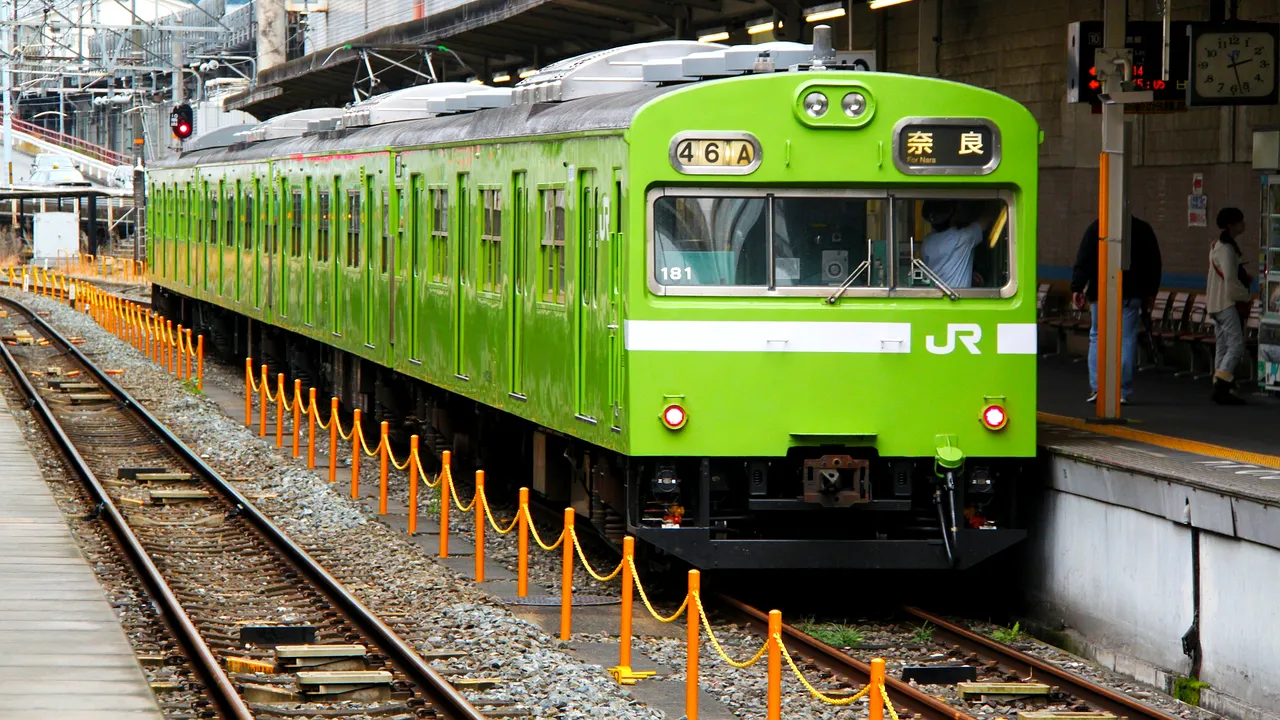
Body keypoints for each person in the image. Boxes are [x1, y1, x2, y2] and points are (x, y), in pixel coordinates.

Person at [1070, 215, 1163, 404]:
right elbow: (1154, 263)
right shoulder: (1142, 228)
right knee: (1126, 339)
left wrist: (1077, 287)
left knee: (1097, 337)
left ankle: (1098, 388)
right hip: (1132, 293)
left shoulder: (1098, 227)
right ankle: (1121, 391)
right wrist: (1151, 292)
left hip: (1101, 292)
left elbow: (1084, 258)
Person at [1206, 207, 1252, 405]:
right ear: (1231, 225)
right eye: (1240, 221)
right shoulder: (1226, 249)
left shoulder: (1217, 245)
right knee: (1236, 346)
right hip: (1225, 303)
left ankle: (1220, 384)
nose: (1244, 225)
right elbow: (1231, 282)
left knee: (1222, 347)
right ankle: (1222, 387)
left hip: (1213, 303)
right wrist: (1247, 295)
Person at [921, 200, 985, 289]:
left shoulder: (927, 241)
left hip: (935, 298)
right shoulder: (963, 237)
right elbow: (988, 218)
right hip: (957, 298)